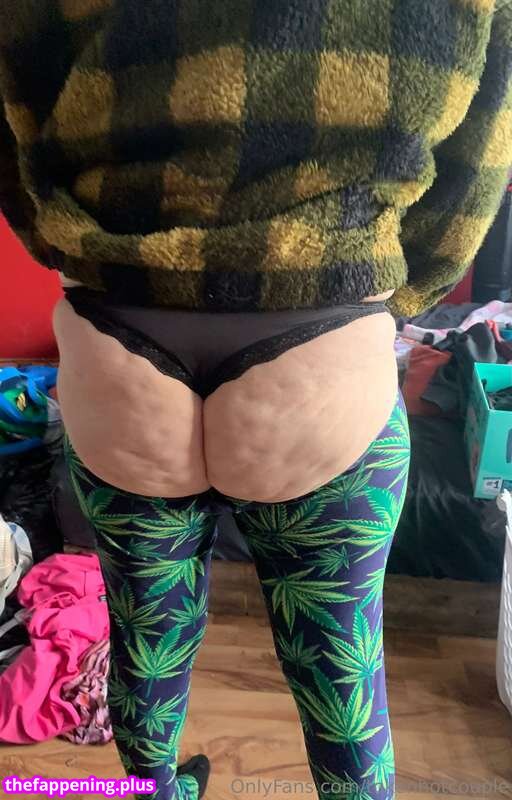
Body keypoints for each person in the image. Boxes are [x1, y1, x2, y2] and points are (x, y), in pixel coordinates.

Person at [1, 2, 511, 798]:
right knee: (342, 675)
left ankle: (157, 789)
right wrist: (384, 302)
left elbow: (20, 137)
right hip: (323, 350)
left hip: (119, 347)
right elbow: (476, 171)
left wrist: (86, 258)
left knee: (146, 642)